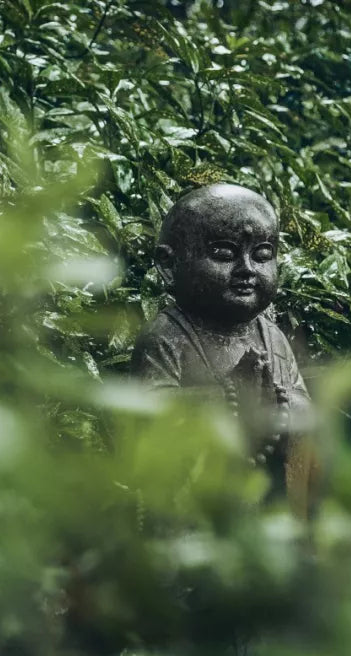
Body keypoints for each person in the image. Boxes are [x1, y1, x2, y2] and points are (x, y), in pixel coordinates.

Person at [131, 183, 317, 514]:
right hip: (197, 500)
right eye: (224, 254)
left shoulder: (271, 336)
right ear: (169, 265)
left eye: (261, 255)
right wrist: (229, 396)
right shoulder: (167, 336)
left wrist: (281, 403)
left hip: (264, 493)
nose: (247, 269)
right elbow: (150, 416)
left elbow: (302, 405)